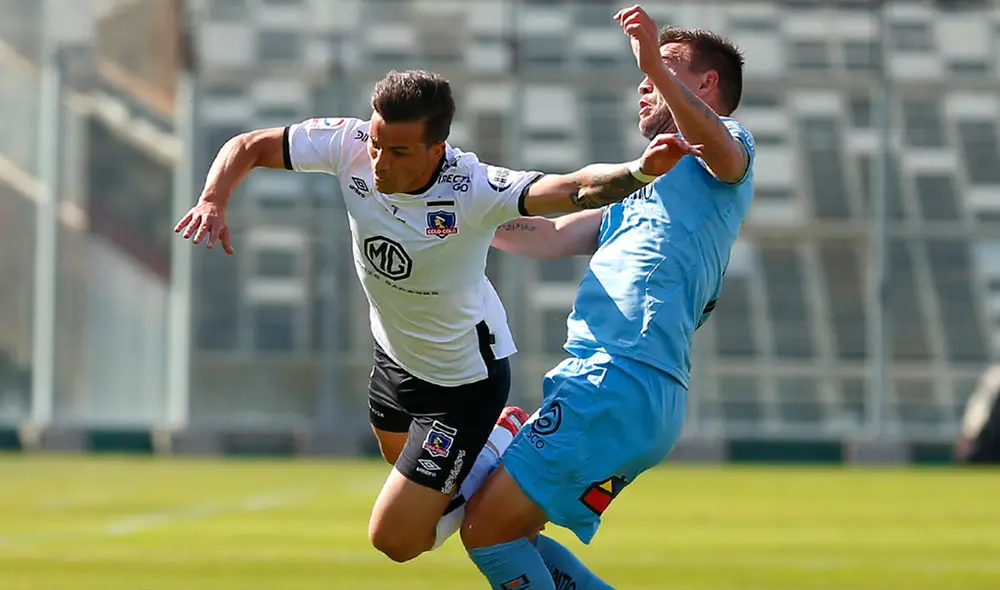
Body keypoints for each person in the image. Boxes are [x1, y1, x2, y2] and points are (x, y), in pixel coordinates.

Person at [173, 68, 702, 564]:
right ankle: (483, 474)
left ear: (437, 150)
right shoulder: (350, 143)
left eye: (399, 152)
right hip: (395, 359)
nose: (379, 163)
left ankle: (501, 432)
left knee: (398, 540)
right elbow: (249, 145)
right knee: (402, 463)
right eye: (377, 145)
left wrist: (638, 171)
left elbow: (574, 189)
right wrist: (213, 200)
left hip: (462, 383)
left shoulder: (472, 188)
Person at [456, 6, 756, 589]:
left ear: (706, 84)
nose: (645, 84)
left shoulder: (728, 148)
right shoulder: (639, 192)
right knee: (506, 531)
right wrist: (460, 209)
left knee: (487, 533)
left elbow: (719, 146)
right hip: (618, 385)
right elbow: (548, 235)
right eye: (645, 74)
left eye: (663, 71)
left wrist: (652, 59)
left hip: (621, 379)